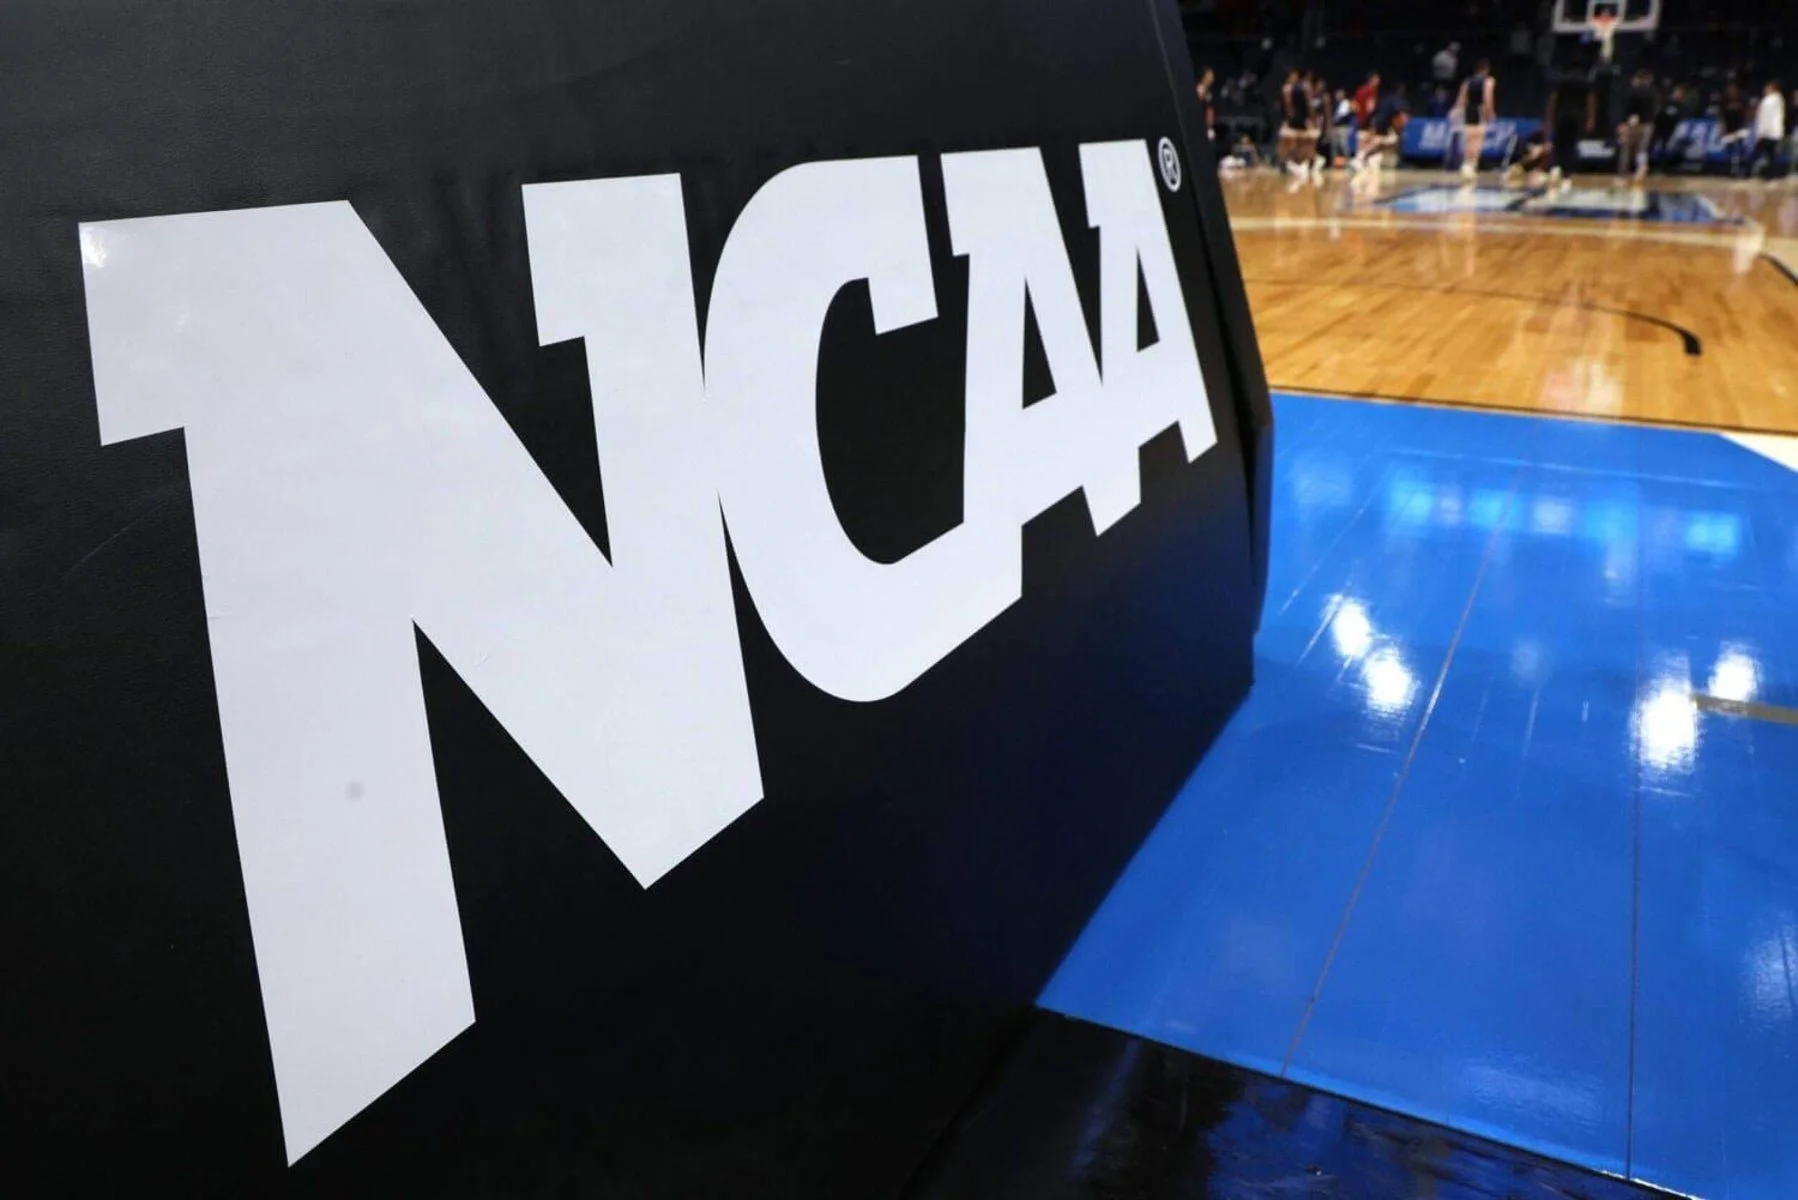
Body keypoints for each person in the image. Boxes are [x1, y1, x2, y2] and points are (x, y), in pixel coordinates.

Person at [1452, 60, 1496, 180]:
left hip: (1468, 111)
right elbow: (1487, 98)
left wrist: (1454, 112)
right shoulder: (1488, 81)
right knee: (1477, 141)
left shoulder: (1467, 81)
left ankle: (1466, 166)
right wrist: (1490, 113)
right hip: (1479, 110)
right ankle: (1472, 166)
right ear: (1486, 70)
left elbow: (1461, 99)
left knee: (1469, 139)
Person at [1616, 69, 1657, 183]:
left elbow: (1628, 108)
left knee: (1626, 149)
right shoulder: (1652, 92)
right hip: (1648, 124)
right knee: (1641, 150)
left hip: (1634, 123)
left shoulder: (1634, 91)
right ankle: (1641, 168)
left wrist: (1624, 122)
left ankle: (1623, 173)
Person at [1750, 79, 1787, 181]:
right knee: (1771, 156)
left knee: (1760, 154)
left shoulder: (1769, 101)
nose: (1765, 89)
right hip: (1775, 133)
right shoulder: (1779, 100)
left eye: (1767, 87)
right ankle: (1771, 176)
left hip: (1767, 133)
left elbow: (1764, 118)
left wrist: (1760, 133)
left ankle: (1752, 174)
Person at [1195, 68, 1217, 140]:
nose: (1212, 78)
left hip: (1206, 126)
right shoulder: (1200, 90)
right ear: (1204, 77)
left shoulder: (1208, 92)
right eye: (1210, 75)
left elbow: (1210, 110)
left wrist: (1210, 126)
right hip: (1199, 124)